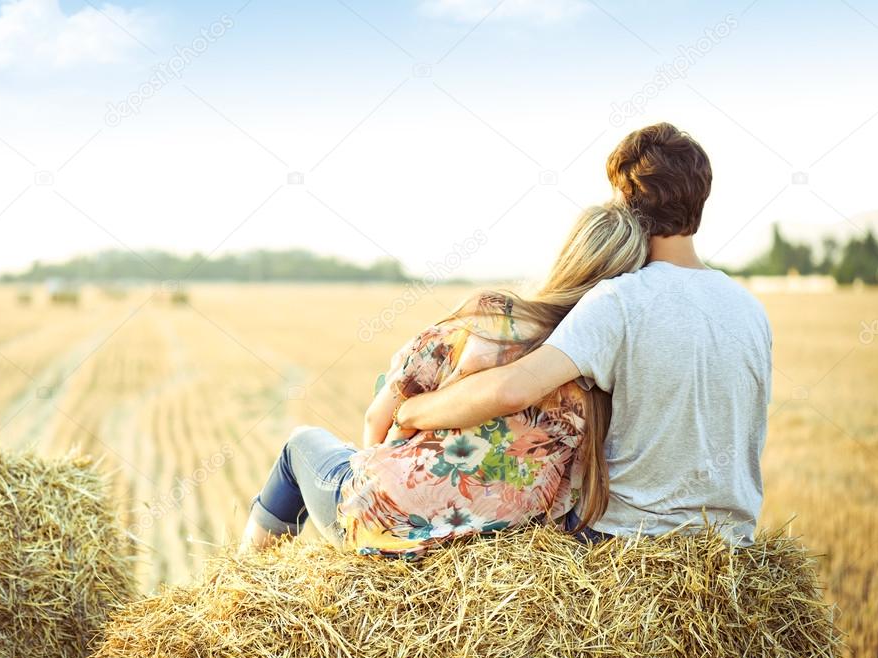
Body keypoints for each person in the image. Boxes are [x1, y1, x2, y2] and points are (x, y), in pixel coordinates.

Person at [397, 122, 772, 546]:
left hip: (625, 538)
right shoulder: (751, 309)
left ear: (625, 203)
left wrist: (413, 412)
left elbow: (511, 390)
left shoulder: (620, 300)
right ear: (701, 201)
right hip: (732, 544)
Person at [239, 202, 648, 557]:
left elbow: (377, 420)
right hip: (498, 544)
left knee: (300, 447)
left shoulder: (490, 317)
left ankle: (246, 584)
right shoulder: (597, 374)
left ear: (567, 258)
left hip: (389, 522)